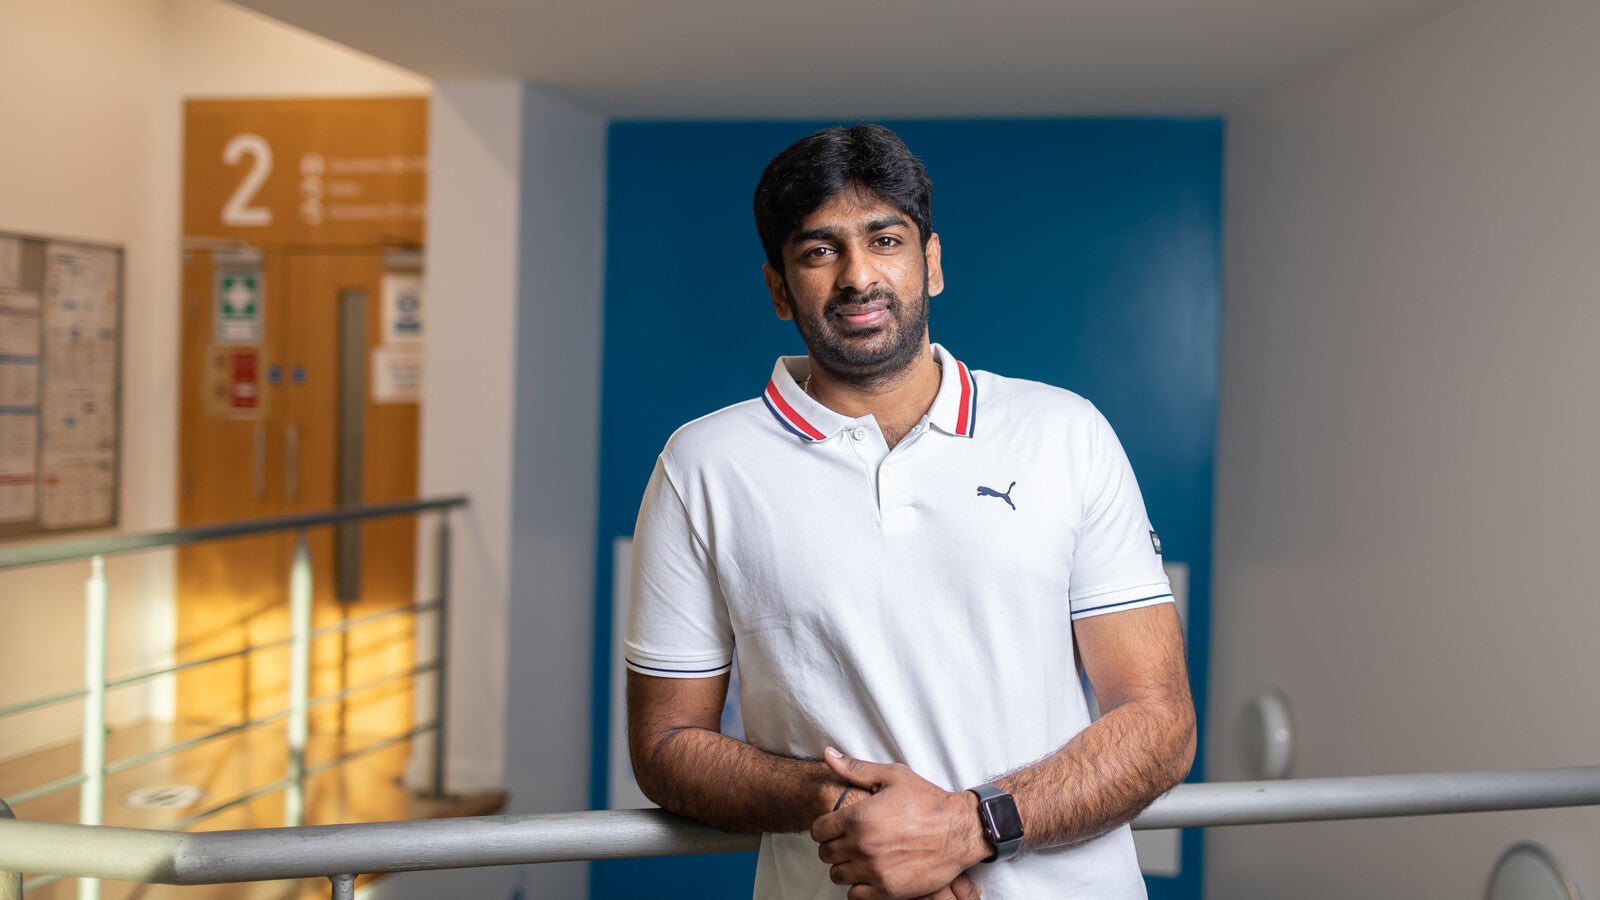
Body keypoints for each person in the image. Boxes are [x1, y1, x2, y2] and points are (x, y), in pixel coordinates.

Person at [625, 123, 1195, 900]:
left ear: (930, 263)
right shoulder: (701, 466)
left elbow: (1160, 722)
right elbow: (665, 744)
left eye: (885, 239)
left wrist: (967, 828)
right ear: (778, 288)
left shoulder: (1066, 432)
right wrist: (848, 812)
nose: (858, 275)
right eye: (819, 250)